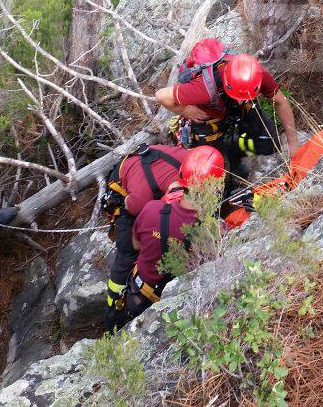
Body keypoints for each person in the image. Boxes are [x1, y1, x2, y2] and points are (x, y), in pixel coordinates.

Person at [155, 46, 298, 192]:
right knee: (217, 179)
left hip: (233, 108)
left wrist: (293, 142)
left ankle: (233, 148)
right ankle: (227, 163)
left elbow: (281, 100)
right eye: (238, 96)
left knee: (269, 143)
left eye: (244, 98)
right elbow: (161, 95)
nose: (240, 102)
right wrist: (185, 110)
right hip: (207, 118)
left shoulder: (256, 74)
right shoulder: (203, 88)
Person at [100, 142, 198, 330]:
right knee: (126, 254)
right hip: (124, 192)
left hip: (144, 170)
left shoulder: (189, 160)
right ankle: (113, 315)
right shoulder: (142, 199)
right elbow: (132, 214)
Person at [122, 146, 225, 323]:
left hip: (137, 295)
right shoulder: (212, 232)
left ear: (180, 177)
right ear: (216, 187)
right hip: (174, 305)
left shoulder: (151, 209)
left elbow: (136, 245)